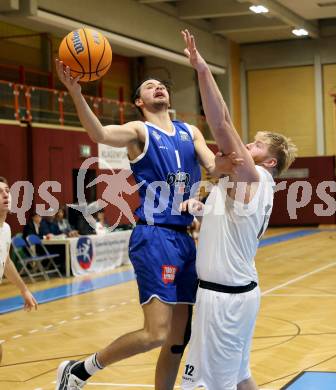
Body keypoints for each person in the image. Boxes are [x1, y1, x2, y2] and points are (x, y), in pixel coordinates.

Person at [54, 60, 238, 390]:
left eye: (161, 84)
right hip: (154, 235)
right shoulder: (140, 132)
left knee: (178, 339)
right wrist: (76, 93)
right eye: (149, 86)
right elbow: (99, 134)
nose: (158, 87)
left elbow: (213, 166)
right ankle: (80, 369)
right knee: (157, 333)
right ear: (140, 101)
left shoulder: (190, 131)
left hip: (185, 240)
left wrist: (235, 157)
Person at [180, 30, 298, 390]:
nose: (248, 144)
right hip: (235, 294)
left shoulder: (254, 176)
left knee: (202, 386)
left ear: (270, 159)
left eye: (257, 144)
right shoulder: (243, 182)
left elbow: (222, 123)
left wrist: (201, 70)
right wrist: (203, 209)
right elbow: (230, 219)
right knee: (240, 377)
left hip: (224, 301)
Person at [0, 176, 38, 363]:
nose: (5, 194)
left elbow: (5, 262)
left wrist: (24, 289)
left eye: (7, 190)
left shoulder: (6, 229)